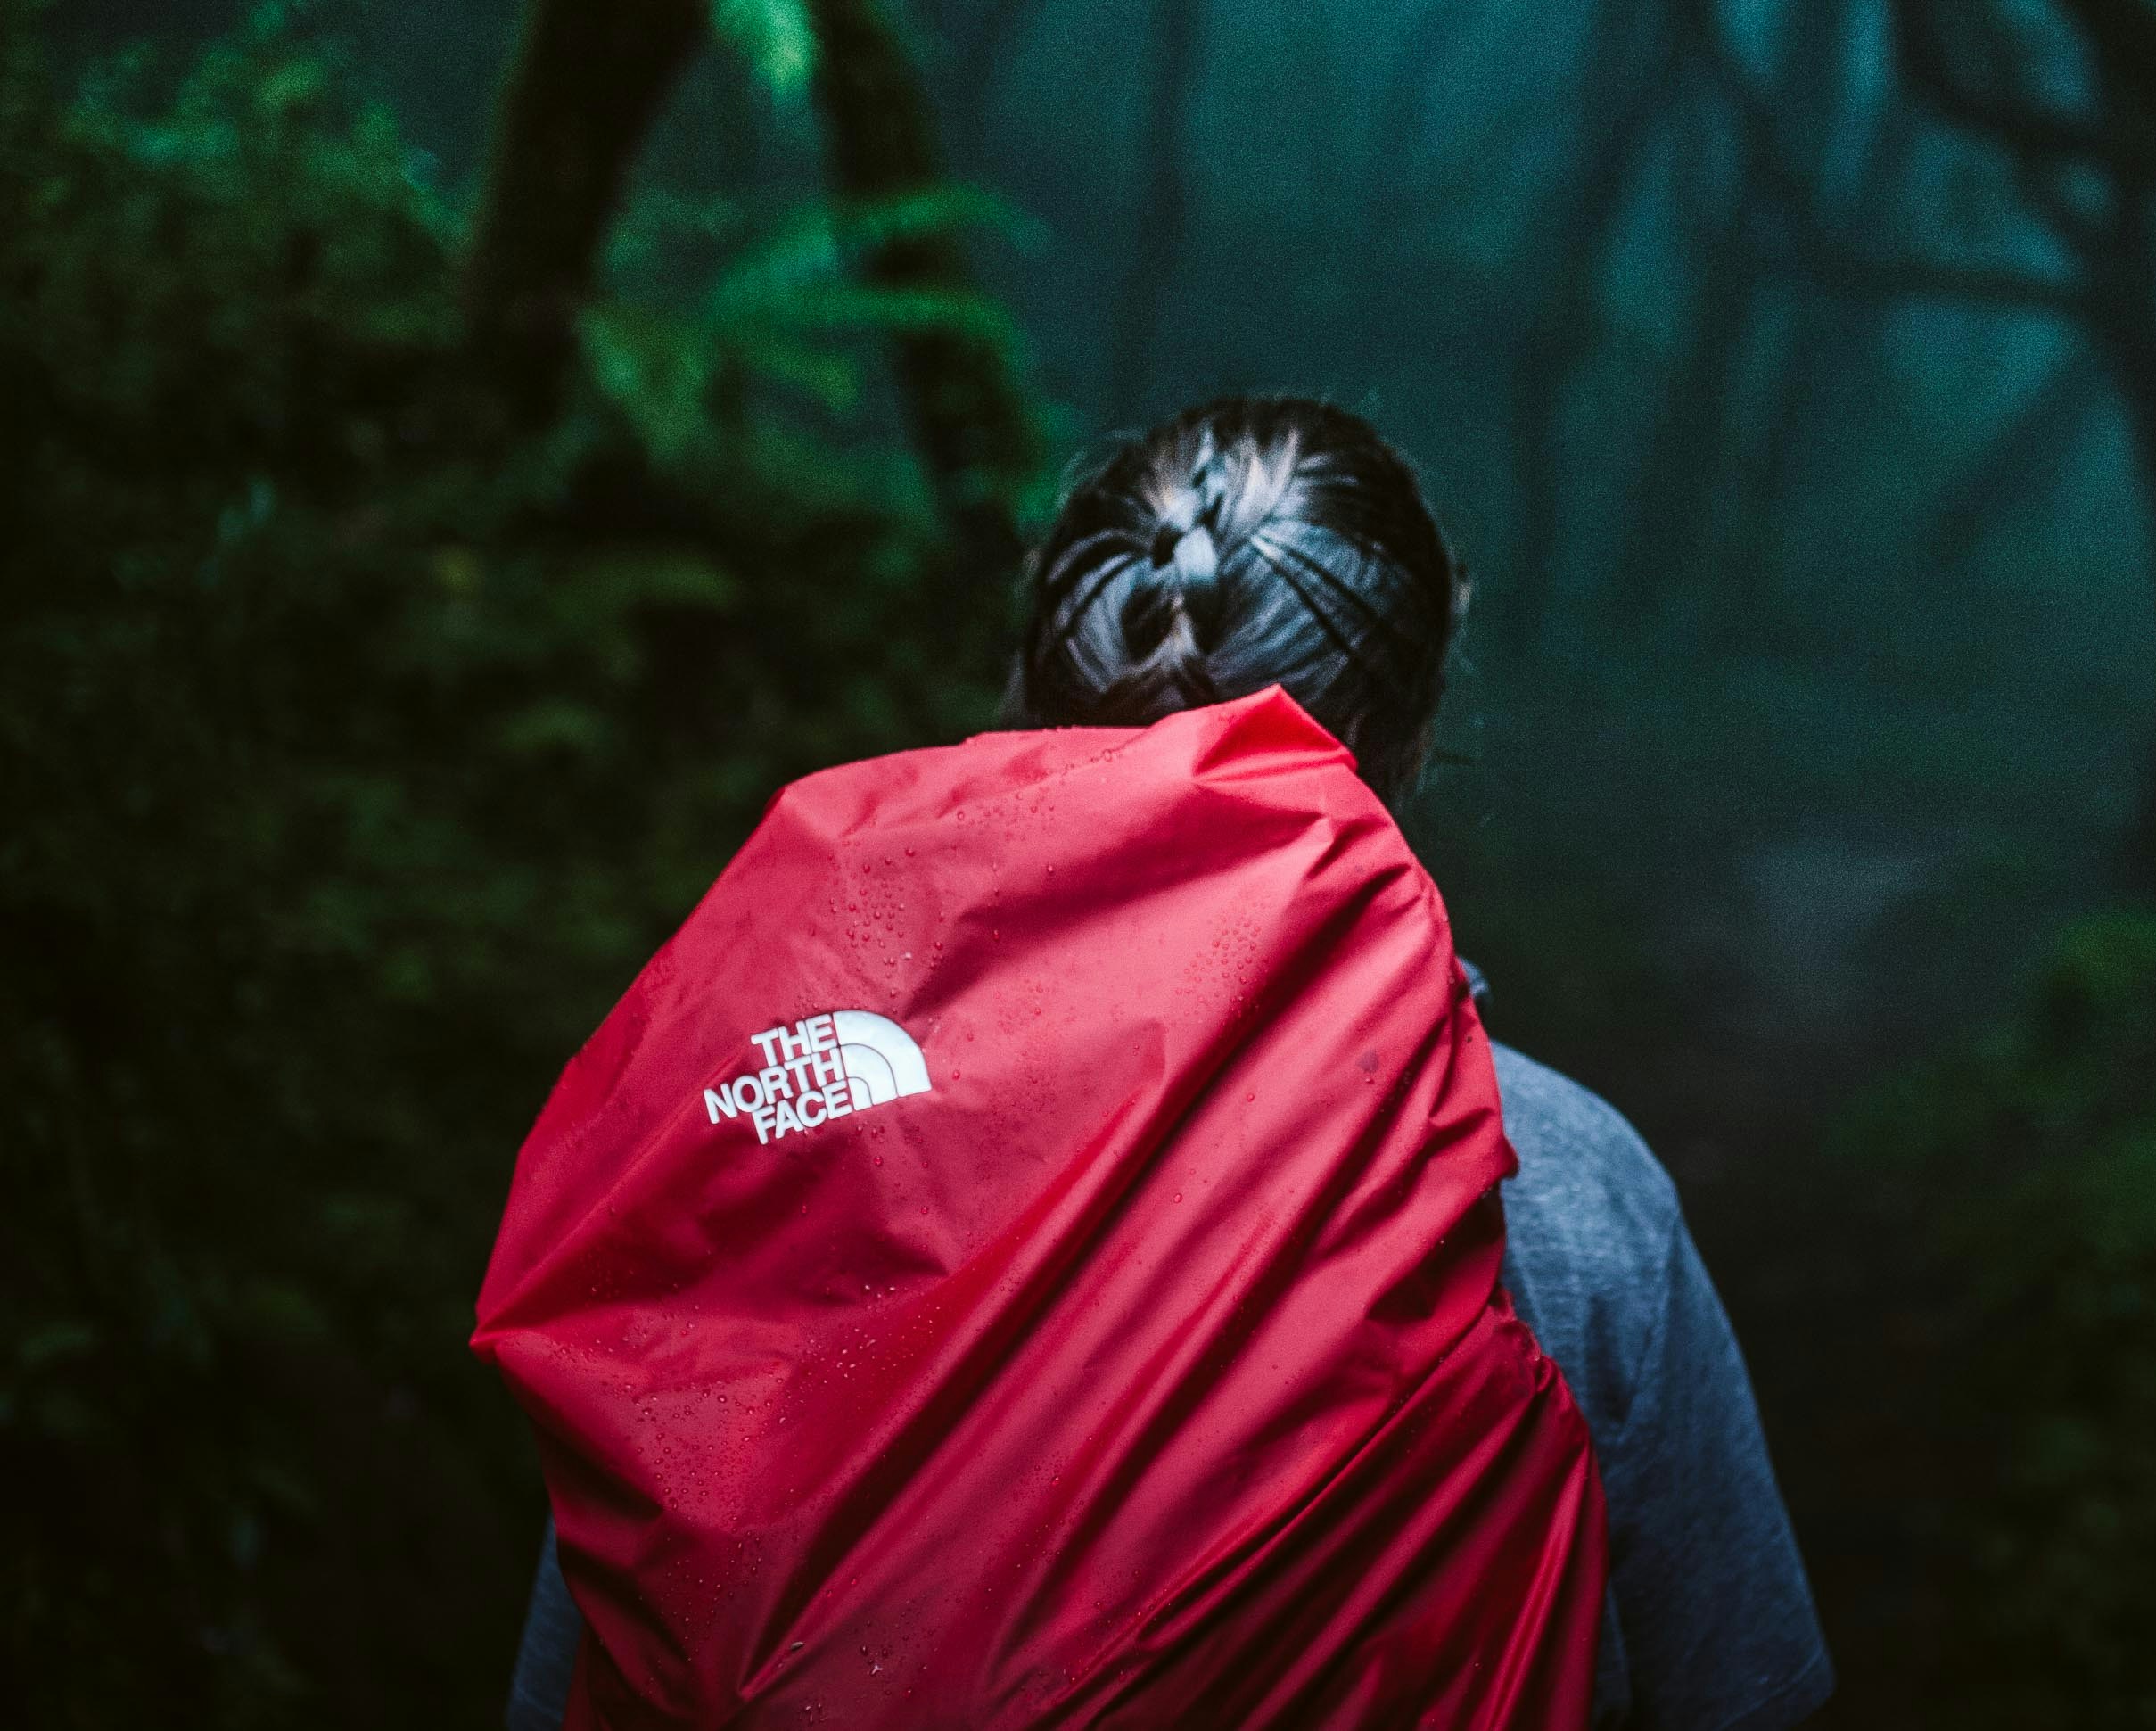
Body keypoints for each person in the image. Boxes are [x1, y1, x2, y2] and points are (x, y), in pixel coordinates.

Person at [506, 396, 1831, 1731]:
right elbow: (1743, 1691)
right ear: (1410, 739)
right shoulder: (1561, 1197)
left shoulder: (794, 1133)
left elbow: (593, 1657)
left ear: (1039, 691)